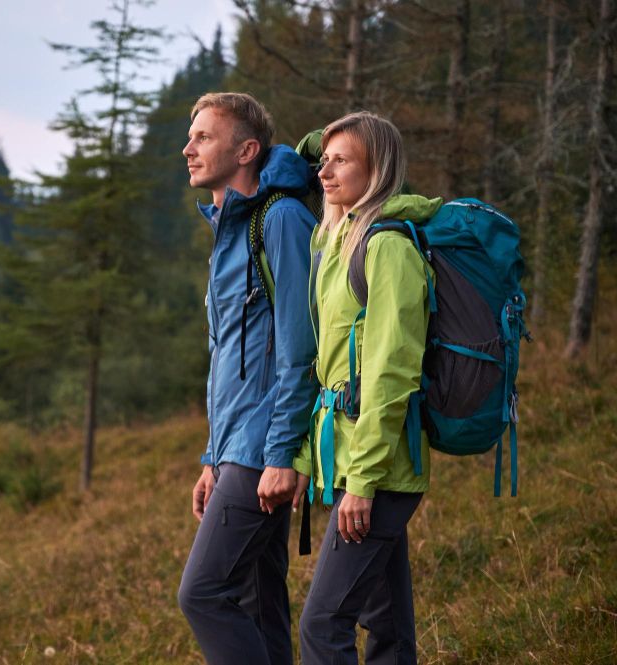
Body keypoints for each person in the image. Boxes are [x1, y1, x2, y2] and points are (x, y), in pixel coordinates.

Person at [290, 111, 437, 664]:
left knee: (322, 625)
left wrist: (363, 482)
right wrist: (311, 462)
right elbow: (331, 372)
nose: (323, 172)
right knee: (389, 626)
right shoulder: (338, 241)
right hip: (350, 459)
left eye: (341, 161)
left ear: (377, 169)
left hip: (379, 468)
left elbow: (390, 373)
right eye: (323, 161)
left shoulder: (387, 248)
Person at [176, 92, 318, 665]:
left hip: (264, 449)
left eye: (204, 137)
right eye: (191, 137)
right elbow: (229, 358)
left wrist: (281, 452)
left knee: (203, 593)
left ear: (247, 150)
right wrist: (213, 456)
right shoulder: (230, 229)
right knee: (257, 599)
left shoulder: (279, 220)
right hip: (239, 449)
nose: (188, 148)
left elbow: (298, 349)